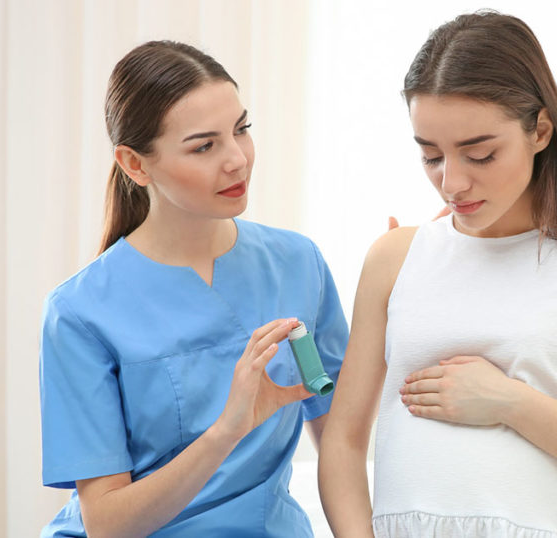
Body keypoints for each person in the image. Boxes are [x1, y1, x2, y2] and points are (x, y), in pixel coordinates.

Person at [319, 11, 557, 538]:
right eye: (431, 156)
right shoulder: (395, 257)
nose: (452, 183)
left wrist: (508, 402)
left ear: (540, 130)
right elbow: (341, 442)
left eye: (480, 153)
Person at [39, 40, 348, 537]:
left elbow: (342, 443)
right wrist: (227, 431)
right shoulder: (80, 312)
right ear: (135, 164)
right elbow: (107, 524)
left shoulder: (298, 263)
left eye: (241, 130)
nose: (237, 160)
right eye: (204, 146)